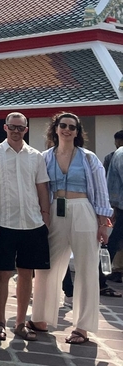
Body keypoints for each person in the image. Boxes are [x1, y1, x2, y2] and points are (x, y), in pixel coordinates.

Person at [29, 113, 113, 345]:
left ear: (77, 132)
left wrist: (103, 223)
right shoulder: (45, 157)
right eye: (62, 125)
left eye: (71, 127)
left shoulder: (88, 158)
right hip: (56, 210)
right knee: (47, 265)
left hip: (83, 209)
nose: (67, 129)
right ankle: (41, 318)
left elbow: (101, 190)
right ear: (55, 129)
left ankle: (82, 327)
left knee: (86, 268)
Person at [0, 112, 50, 341]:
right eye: (12, 127)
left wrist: (45, 217)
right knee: (2, 273)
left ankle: (20, 323)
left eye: (20, 128)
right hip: (4, 223)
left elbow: (42, 188)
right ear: (5, 127)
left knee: (26, 274)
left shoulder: (35, 156)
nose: (16, 131)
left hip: (32, 223)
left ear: (26, 130)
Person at [106, 142, 123, 284]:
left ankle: (103, 274)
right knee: (114, 241)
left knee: (115, 240)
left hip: (119, 205)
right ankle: (102, 275)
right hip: (121, 206)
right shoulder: (122, 154)